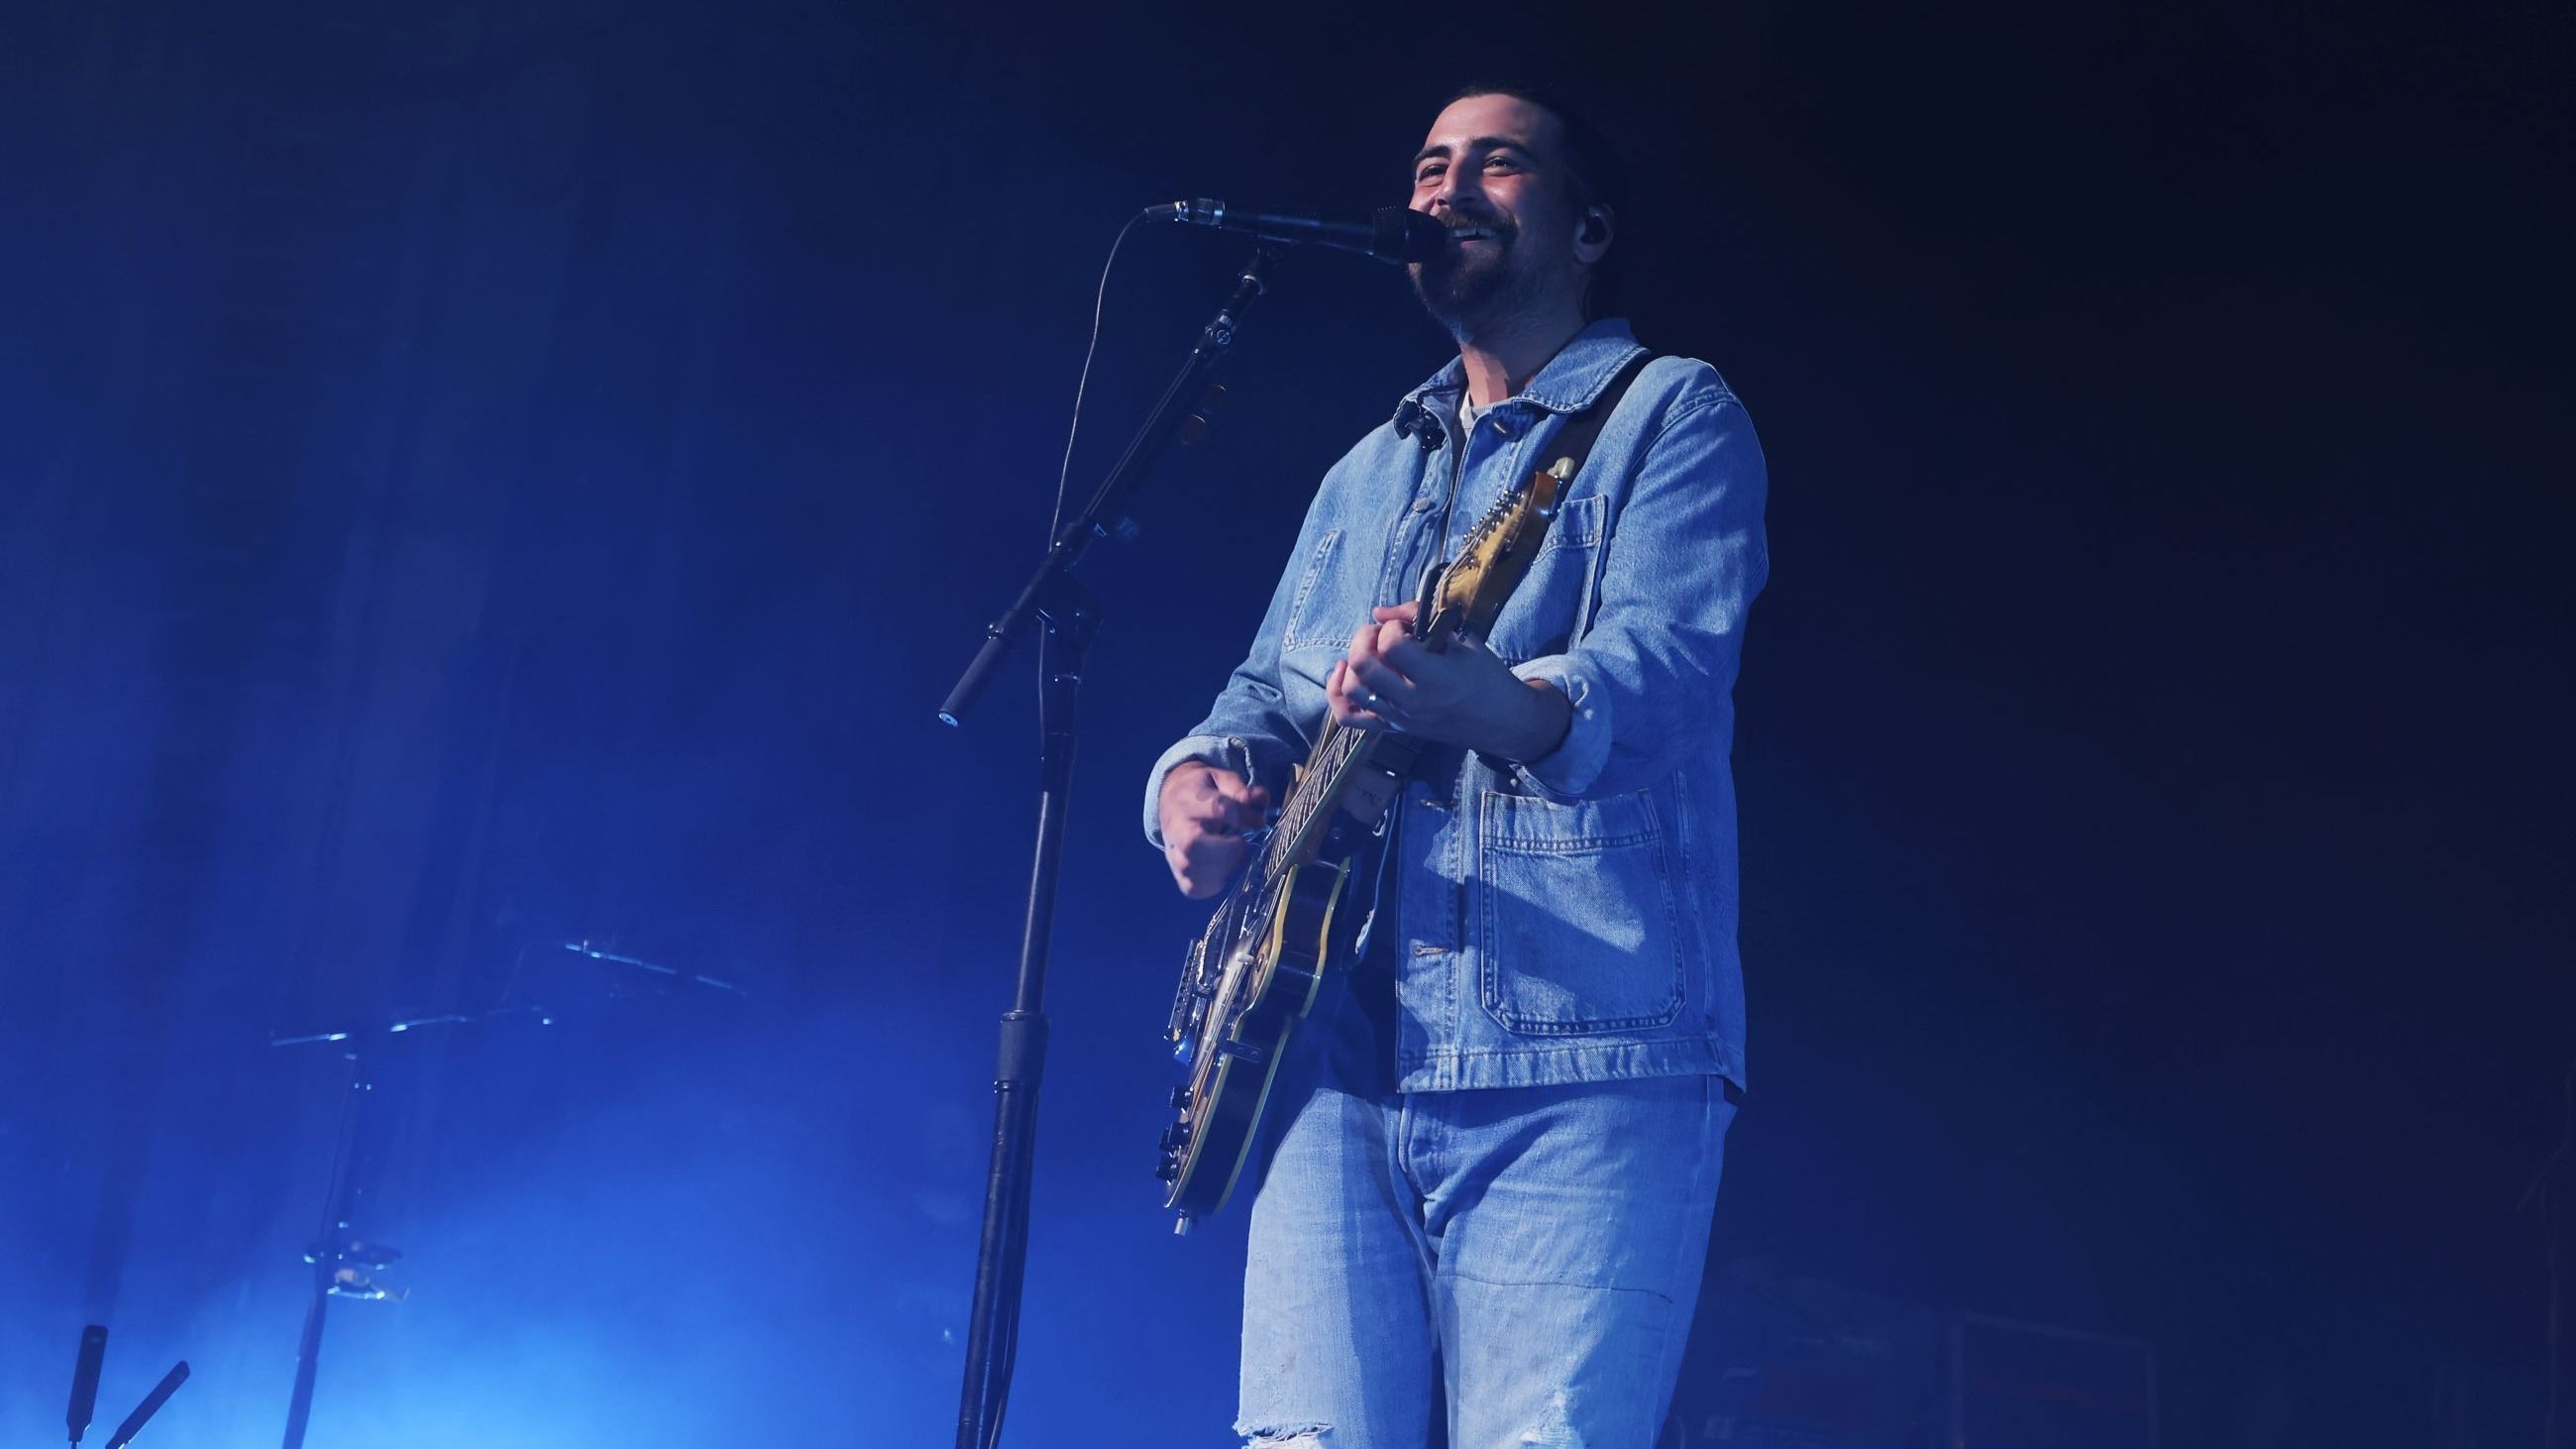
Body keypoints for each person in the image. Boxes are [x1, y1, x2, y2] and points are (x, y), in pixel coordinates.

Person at [1143, 82, 1770, 1449]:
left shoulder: (1673, 414)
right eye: (1430, 167)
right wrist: (1188, 783)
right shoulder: (1368, 469)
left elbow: (1664, 671)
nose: (1446, 190)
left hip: (1580, 1049)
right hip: (1330, 1047)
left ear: (1590, 225)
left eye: (1497, 165)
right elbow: (1263, 697)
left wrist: (1500, 701)